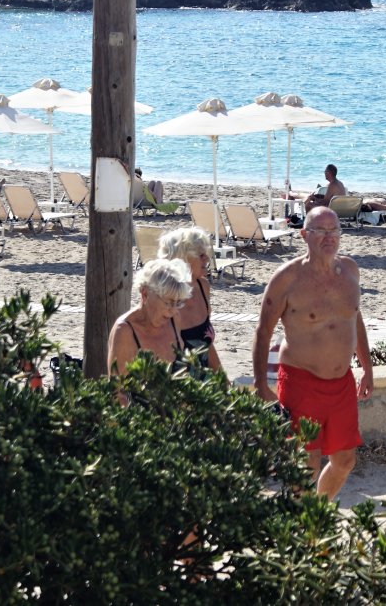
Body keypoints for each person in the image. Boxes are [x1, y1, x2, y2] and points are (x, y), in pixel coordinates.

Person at [252, 207, 374, 499]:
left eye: (334, 231)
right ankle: (305, 521)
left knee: (345, 461)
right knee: (306, 466)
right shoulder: (286, 278)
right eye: (321, 231)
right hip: (300, 382)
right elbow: (263, 331)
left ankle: (317, 511)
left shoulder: (350, 270)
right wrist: (260, 383)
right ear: (304, 235)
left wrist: (367, 368)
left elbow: (354, 318)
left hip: (341, 382)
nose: (329, 237)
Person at [107, 258, 193, 378]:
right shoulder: (124, 331)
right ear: (145, 293)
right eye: (168, 302)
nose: (173, 310)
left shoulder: (174, 319)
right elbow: (117, 386)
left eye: (178, 302)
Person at [157, 227, 223, 372]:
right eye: (201, 255)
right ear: (182, 259)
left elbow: (206, 344)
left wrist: (222, 379)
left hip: (204, 380)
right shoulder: (163, 299)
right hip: (172, 380)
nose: (207, 258)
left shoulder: (202, 287)